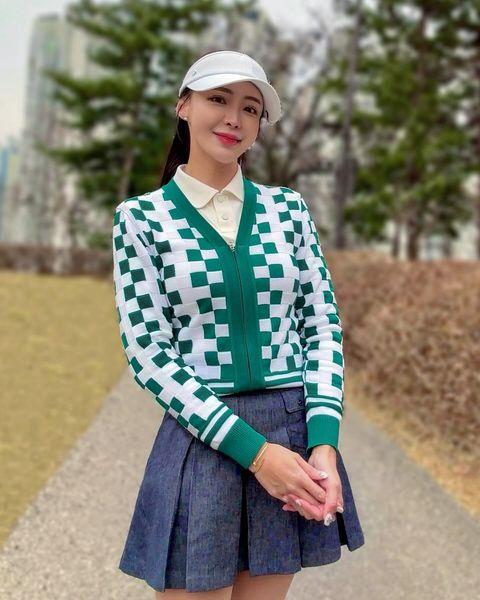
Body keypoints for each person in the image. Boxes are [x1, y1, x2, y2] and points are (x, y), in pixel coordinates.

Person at [112, 49, 365, 600]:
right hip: (205, 436)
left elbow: (321, 327)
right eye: (218, 99)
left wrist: (323, 444)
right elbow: (149, 353)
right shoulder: (141, 219)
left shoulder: (288, 210)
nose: (234, 118)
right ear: (184, 106)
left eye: (250, 108)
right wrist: (256, 454)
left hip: (292, 436)